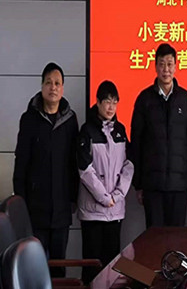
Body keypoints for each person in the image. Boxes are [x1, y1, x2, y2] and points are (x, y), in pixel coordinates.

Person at [13, 62, 78, 276]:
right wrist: (21, 201)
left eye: (57, 83)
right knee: (35, 266)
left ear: (62, 88)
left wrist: (73, 198)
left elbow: (73, 163)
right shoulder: (29, 119)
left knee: (59, 267)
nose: (53, 87)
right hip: (35, 208)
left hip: (61, 208)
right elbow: (21, 162)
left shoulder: (70, 120)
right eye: (49, 82)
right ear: (42, 86)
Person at [128, 43, 187, 228]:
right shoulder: (144, 99)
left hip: (179, 186)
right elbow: (136, 142)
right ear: (155, 66)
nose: (166, 69)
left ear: (176, 66)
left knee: (177, 238)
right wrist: (139, 184)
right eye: (161, 64)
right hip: (153, 186)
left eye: (169, 64)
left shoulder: (185, 99)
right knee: (154, 238)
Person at [76, 81, 134, 283]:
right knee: (92, 267)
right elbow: (84, 169)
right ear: (98, 102)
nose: (111, 107)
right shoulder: (87, 130)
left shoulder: (120, 130)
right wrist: (104, 197)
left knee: (112, 266)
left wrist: (117, 195)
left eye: (115, 102)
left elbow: (129, 164)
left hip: (115, 211)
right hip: (93, 212)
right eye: (107, 102)